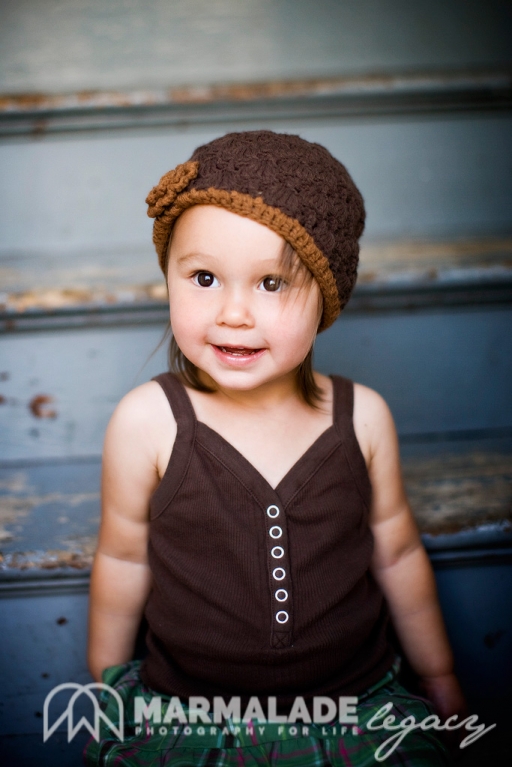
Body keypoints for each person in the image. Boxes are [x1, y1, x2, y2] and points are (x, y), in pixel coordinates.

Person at [85, 130, 465, 766]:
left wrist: (440, 674)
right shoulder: (148, 421)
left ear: (326, 299)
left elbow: (395, 552)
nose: (233, 313)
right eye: (204, 277)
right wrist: (105, 686)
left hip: (353, 702)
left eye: (270, 284)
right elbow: (123, 559)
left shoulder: (363, 417)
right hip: (191, 708)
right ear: (170, 279)